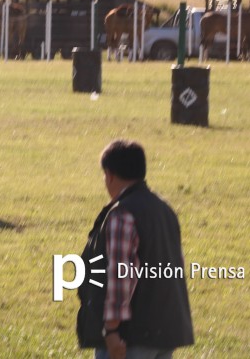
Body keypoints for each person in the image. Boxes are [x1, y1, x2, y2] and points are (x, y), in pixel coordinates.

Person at [77, 139, 194, 359]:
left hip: (129, 338)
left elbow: (121, 277)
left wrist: (111, 330)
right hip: (164, 332)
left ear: (109, 175)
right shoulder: (164, 209)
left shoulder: (122, 214)